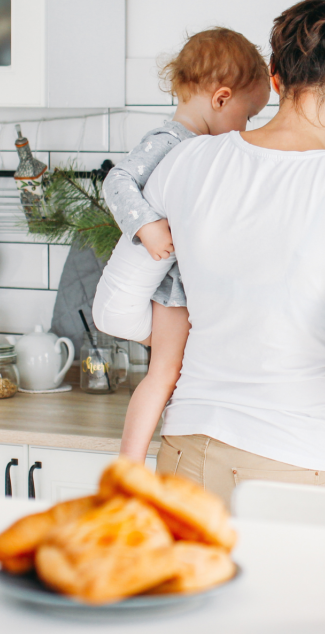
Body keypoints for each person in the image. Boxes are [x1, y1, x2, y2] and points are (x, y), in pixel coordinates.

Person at [93, 0, 325, 504]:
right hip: (304, 469)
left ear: (277, 77)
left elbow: (114, 310)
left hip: (189, 454)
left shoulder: (188, 163)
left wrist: (221, 324)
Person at [102, 28, 271, 462]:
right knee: (164, 371)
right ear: (220, 99)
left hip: (196, 285)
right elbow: (117, 181)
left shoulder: (203, 149)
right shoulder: (170, 141)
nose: (246, 128)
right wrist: (147, 227)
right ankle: (130, 461)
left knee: (180, 370)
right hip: (174, 287)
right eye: (247, 115)